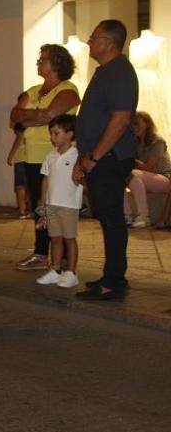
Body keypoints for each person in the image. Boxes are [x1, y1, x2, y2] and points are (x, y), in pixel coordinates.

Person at [73, 20, 139, 301]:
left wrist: (94, 157)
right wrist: (83, 157)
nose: (89, 41)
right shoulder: (106, 72)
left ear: (108, 43)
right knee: (106, 217)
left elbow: (121, 119)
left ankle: (114, 281)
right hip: (99, 157)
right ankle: (112, 275)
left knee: (111, 218)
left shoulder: (120, 73)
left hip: (109, 158)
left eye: (94, 37)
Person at [9, 45, 81, 271]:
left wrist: (32, 116)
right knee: (39, 206)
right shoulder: (33, 89)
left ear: (57, 63)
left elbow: (51, 115)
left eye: (43, 59)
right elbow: (15, 116)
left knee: (59, 205)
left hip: (58, 158)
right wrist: (36, 116)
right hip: (32, 156)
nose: (38, 63)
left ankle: (66, 259)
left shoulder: (68, 90)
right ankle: (41, 253)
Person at [35, 115, 83, 289]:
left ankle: (71, 272)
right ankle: (55, 270)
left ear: (70, 134)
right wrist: (43, 202)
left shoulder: (77, 155)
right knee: (55, 238)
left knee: (69, 239)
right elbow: (46, 180)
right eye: (51, 133)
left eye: (56, 133)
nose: (52, 137)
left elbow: (82, 178)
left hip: (69, 205)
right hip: (52, 204)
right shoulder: (50, 156)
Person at [123, 111, 171, 228]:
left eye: (137, 123)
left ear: (147, 124)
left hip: (164, 177)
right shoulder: (134, 143)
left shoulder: (157, 142)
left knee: (133, 173)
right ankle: (126, 215)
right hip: (144, 177)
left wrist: (131, 161)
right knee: (119, 174)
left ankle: (144, 216)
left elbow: (149, 167)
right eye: (133, 124)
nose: (134, 127)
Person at [6, 98, 30, 219]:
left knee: (20, 185)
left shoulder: (20, 118)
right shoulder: (30, 117)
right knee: (27, 184)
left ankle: (22, 210)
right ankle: (24, 209)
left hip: (21, 156)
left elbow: (19, 138)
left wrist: (11, 155)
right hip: (31, 155)